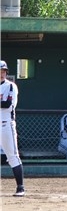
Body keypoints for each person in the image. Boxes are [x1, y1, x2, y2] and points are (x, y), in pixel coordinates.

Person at [1, 59, 26, 196]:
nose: (1, 74)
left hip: (6, 125)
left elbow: (8, 105)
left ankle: (20, 187)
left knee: (12, 156)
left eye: (3, 71)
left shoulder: (10, 86)